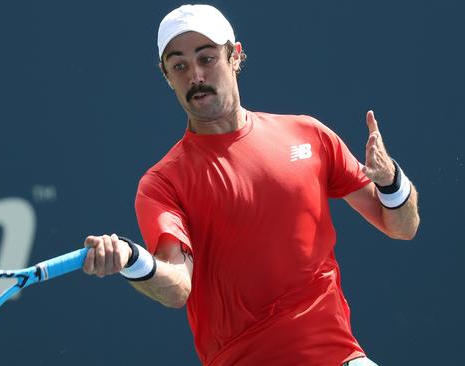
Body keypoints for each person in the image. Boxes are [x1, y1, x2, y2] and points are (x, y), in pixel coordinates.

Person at [81, 4, 420, 366]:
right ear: (166, 76)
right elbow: (178, 287)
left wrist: (390, 182)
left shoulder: (309, 135)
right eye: (179, 65)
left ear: (235, 56)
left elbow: (401, 226)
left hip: (339, 357)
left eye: (207, 58)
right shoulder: (162, 183)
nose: (195, 74)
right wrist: (133, 261)